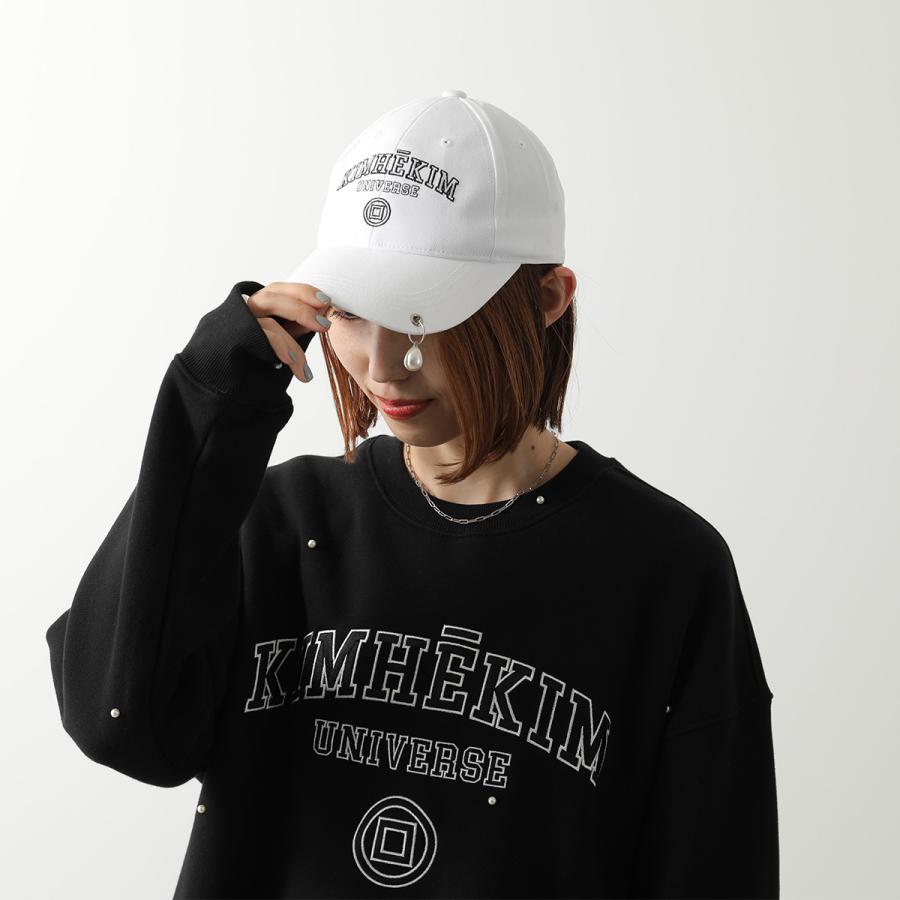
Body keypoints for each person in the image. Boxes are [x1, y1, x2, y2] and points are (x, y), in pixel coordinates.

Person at [45, 91, 779, 899]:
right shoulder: (281, 520)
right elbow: (120, 725)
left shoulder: (663, 566)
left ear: (548, 298)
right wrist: (211, 409)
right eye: (353, 314)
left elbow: (716, 869)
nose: (384, 364)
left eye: (428, 318)